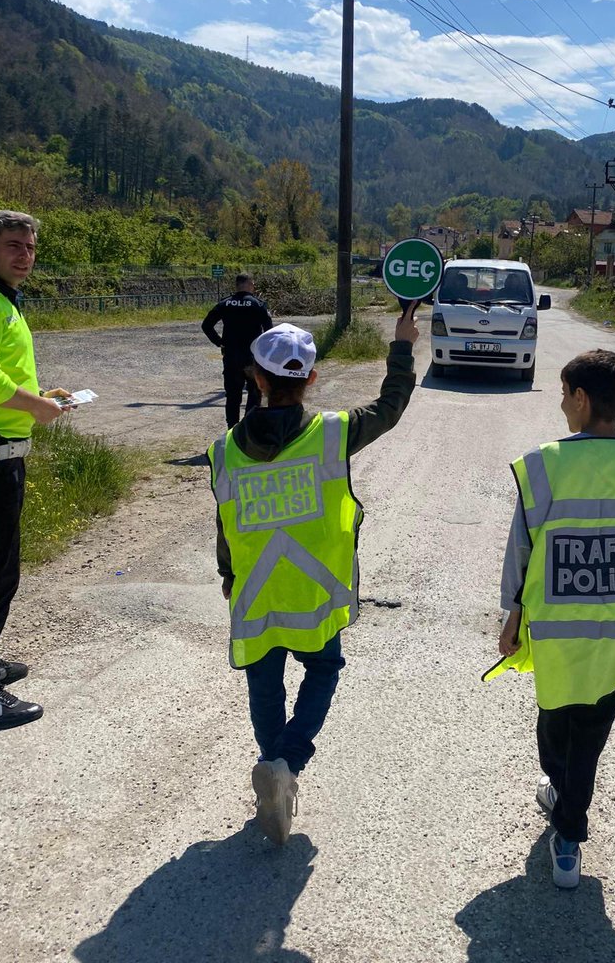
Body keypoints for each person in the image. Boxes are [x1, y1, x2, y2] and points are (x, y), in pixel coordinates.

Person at [207, 305, 419, 846]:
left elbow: (225, 526)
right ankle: (288, 763)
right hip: (315, 592)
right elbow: (390, 407)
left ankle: (270, 764)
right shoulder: (333, 433)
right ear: (312, 378)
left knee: (264, 684)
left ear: (255, 378)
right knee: (323, 670)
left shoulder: (224, 452)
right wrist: (401, 345)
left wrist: (230, 580)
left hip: (254, 593)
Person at [484, 349, 615, 889]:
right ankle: (565, 810)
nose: (562, 403)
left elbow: (521, 552)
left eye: (565, 393)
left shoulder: (544, 464)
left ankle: (568, 829)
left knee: (558, 724)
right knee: (586, 737)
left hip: (557, 634)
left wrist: (512, 617)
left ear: (583, 399)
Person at [0, 210, 73, 732]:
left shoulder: (2, 299)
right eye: (13, 245)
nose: (24, 255)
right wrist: (34, 407)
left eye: (30, 247)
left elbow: (2, 376)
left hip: (2, 458)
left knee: (2, 574)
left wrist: (41, 397)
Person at [201, 273, 272, 428]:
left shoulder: (224, 304)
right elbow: (269, 332)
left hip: (231, 357)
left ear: (237, 285)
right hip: (252, 358)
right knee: (254, 393)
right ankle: (248, 428)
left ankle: (231, 430)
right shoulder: (258, 305)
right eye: (253, 284)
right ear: (249, 284)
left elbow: (206, 325)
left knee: (233, 396)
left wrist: (219, 342)